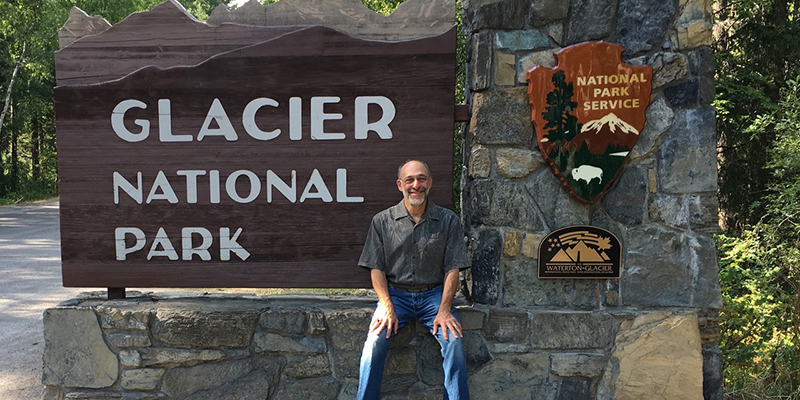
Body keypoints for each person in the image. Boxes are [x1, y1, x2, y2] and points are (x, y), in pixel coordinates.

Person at [356, 159, 471, 400]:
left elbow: (453, 268)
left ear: (430, 183)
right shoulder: (382, 221)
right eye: (409, 180)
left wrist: (445, 309)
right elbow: (375, 268)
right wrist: (386, 306)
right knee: (373, 344)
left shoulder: (448, 220)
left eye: (421, 179)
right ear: (400, 185)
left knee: (454, 343)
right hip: (395, 295)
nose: (415, 185)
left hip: (434, 296)